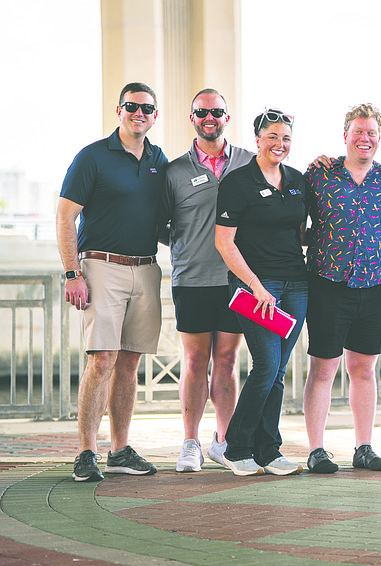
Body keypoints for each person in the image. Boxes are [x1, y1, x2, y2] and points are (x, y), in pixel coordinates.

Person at [56, 82, 167, 482]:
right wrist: (72, 272)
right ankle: (87, 451)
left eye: (148, 108)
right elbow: (65, 216)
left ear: (156, 114)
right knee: (101, 359)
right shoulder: (93, 157)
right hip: (101, 266)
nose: (140, 113)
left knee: (129, 362)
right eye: (132, 106)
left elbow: (169, 219)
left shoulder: (159, 159)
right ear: (119, 110)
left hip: (147, 267)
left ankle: (120, 450)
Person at [301, 103, 381, 473]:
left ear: (379, 138)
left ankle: (364, 447)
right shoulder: (319, 177)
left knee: (363, 370)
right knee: (323, 369)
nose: (365, 138)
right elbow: (297, 221)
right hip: (328, 284)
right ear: (345, 136)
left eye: (371, 132)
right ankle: (316, 449)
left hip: (372, 288)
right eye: (358, 131)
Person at [158, 88, 253, 472]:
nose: (209, 117)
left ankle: (224, 442)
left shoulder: (249, 161)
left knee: (227, 362)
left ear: (227, 117)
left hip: (237, 282)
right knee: (195, 361)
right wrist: (187, 245)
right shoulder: (174, 171)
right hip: (192, 279)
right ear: (192, 118)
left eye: (216, 111)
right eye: (201, 112)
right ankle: (191, 443)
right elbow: (160, 225)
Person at [214, 109, 308, 476]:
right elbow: (225, 243)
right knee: (266, 365)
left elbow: (302, 232)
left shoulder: (298, 180)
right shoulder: (237, 182)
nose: (279, 144)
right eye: (272, 137)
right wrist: (255, 286)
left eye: (285, 138)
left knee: (278, 369)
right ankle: (235, 447)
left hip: (297, 284)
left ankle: (268, 450)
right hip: (256, 286)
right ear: (257, 139)